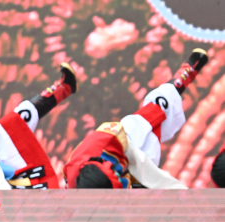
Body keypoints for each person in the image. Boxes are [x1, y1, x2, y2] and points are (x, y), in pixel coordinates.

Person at [65, 48, 208, 189]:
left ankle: (188, 70)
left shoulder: (107, 140)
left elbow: (154, 176)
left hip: (130, 149)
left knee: (161, 103)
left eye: (115, 173)